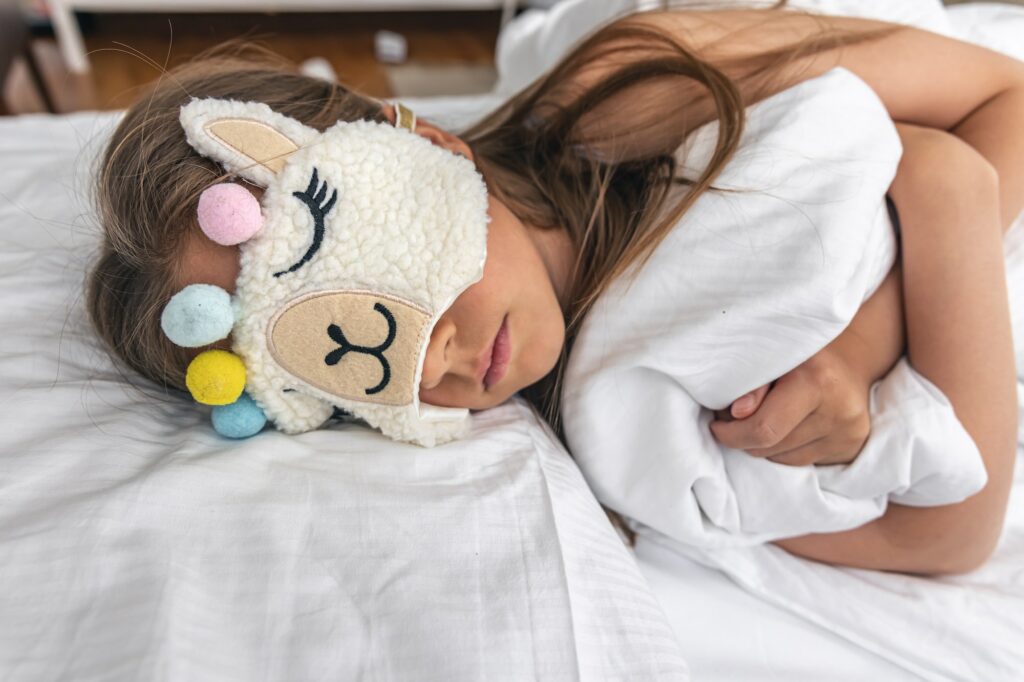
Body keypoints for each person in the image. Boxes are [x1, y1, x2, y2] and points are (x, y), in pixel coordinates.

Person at [86, 2, 1024, 573]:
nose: (438, 358)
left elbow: (1000, 107)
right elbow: (940, 541)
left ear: (418, 152)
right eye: (336, 371)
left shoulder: (647, 86)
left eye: (377, 270)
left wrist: (865, 332)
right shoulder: (630, 434)